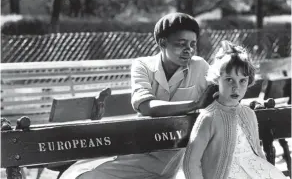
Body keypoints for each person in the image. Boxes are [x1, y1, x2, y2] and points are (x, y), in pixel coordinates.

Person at [60, 12, 216, 179]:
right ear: (162, 42)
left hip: (178, 158)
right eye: (181, 43)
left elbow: (223, 94)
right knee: (77, 176)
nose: (189, 50)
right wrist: (195, 104)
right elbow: (147, 106)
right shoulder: (142, 65)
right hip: (140, 151)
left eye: (193, 44)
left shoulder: (200, 67)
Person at [183, 40, 286, 179]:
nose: (236, 87)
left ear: (248, 81)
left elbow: (257, 152)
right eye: (229, 80)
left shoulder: (248, 114)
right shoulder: (208, 118)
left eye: (242, 80)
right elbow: (191, 163)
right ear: (217, 79)